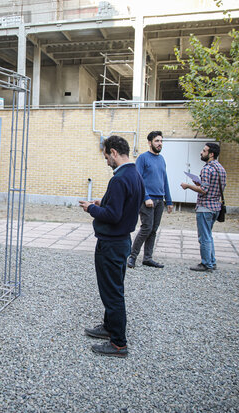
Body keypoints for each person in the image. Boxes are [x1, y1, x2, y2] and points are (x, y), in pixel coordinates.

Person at [79, 136, 145, 358]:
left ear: (114, 153)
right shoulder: (135, 175)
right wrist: (103, 202)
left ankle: (118, 343)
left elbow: (114, 215)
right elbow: (125, 206)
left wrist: (91, 208)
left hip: (112, 244)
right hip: (122, 241)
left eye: (107, 156)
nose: (107, 161)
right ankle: (109, 327)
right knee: (113, 288)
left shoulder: (118, 179)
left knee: (112, 293)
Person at [127, 131, 173, 269]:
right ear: (150, 142)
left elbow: (165, 180)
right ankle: (132, 257)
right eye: (157, 141)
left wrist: (169, 201)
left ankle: (147, 258)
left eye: (161, 141)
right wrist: (146, 197)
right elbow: (138, 179)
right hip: (147, 200)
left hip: (160, 200)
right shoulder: (143, 158)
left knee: (153, 229)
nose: (159, 143)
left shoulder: (162, 159)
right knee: (146, 228)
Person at [181, 142, 227, 272]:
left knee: (204, 237)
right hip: (216, 207)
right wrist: (199, 183)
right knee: (209, 236)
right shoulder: (221, 169)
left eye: (204, 151)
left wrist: (188, 185)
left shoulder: (207, 169)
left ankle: (206, 264)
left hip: (205, 207)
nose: (201, 152)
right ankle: (212, 261)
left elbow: (204, 190)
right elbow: (216, 187)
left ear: (211, 154)